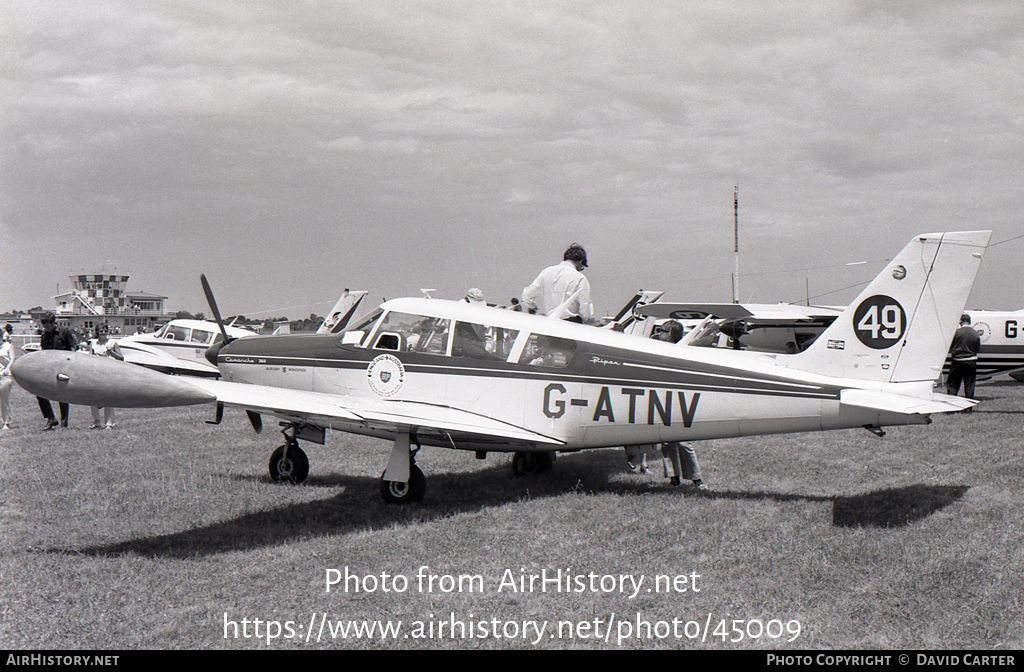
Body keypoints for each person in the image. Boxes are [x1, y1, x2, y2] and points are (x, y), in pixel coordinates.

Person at [633, 319, 707, 490]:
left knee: (684, 443)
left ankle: (697, 479)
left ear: (672, 334)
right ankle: (674, 477)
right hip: (662, 400)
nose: (660, 334)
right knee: (666, 443)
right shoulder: (656, 350)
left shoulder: (682, 351)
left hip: (679, 402)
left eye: (663, 331)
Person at [521, 243, 594, 323]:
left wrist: (532, 307)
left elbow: (527, 295)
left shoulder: (546, 272)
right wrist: (585, 319)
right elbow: (585, 309)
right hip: (571, 323)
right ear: (581, 261)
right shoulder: (580, 278)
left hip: (550, 323)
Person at [37, 312, 78, 429]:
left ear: (53, 323)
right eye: (44, 326)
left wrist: (69, 362)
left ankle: (64, 422)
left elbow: (73, 346)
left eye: (48, 326)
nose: (46, 328)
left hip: (63, 367)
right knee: (39, 392)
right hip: (48, 367)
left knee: (62, 395)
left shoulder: (64, 331)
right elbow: (43, 350)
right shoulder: (44, 334)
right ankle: (51, 418)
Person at [86, 324, 123, 429]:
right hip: (96, 373)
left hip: (109, 373)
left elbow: (121, 358)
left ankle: (109, 423)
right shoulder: (94, 344)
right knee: (93, 399)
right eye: (100, 331)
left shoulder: (112, 343)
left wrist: (111, 353)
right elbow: (89, 358)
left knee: (108, 399)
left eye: (105, 330)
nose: (103, 332)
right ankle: (97, 421)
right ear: (97, 332)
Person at [946, 313, 981, 409]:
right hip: (971, 361)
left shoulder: (956, 333)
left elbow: (950, 346)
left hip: (958, 361)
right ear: (969, 322)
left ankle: (951, 407)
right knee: (969, 385)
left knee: (953, 385)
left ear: (961, 321)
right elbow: (977, 348)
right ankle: (968, 408)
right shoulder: (975, 333)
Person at [1, 327, 15, 430]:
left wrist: (7, 369)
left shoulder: (8, 346)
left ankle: (6, 422)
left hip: (5, 376)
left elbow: (12, 360)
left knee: (4, 400)